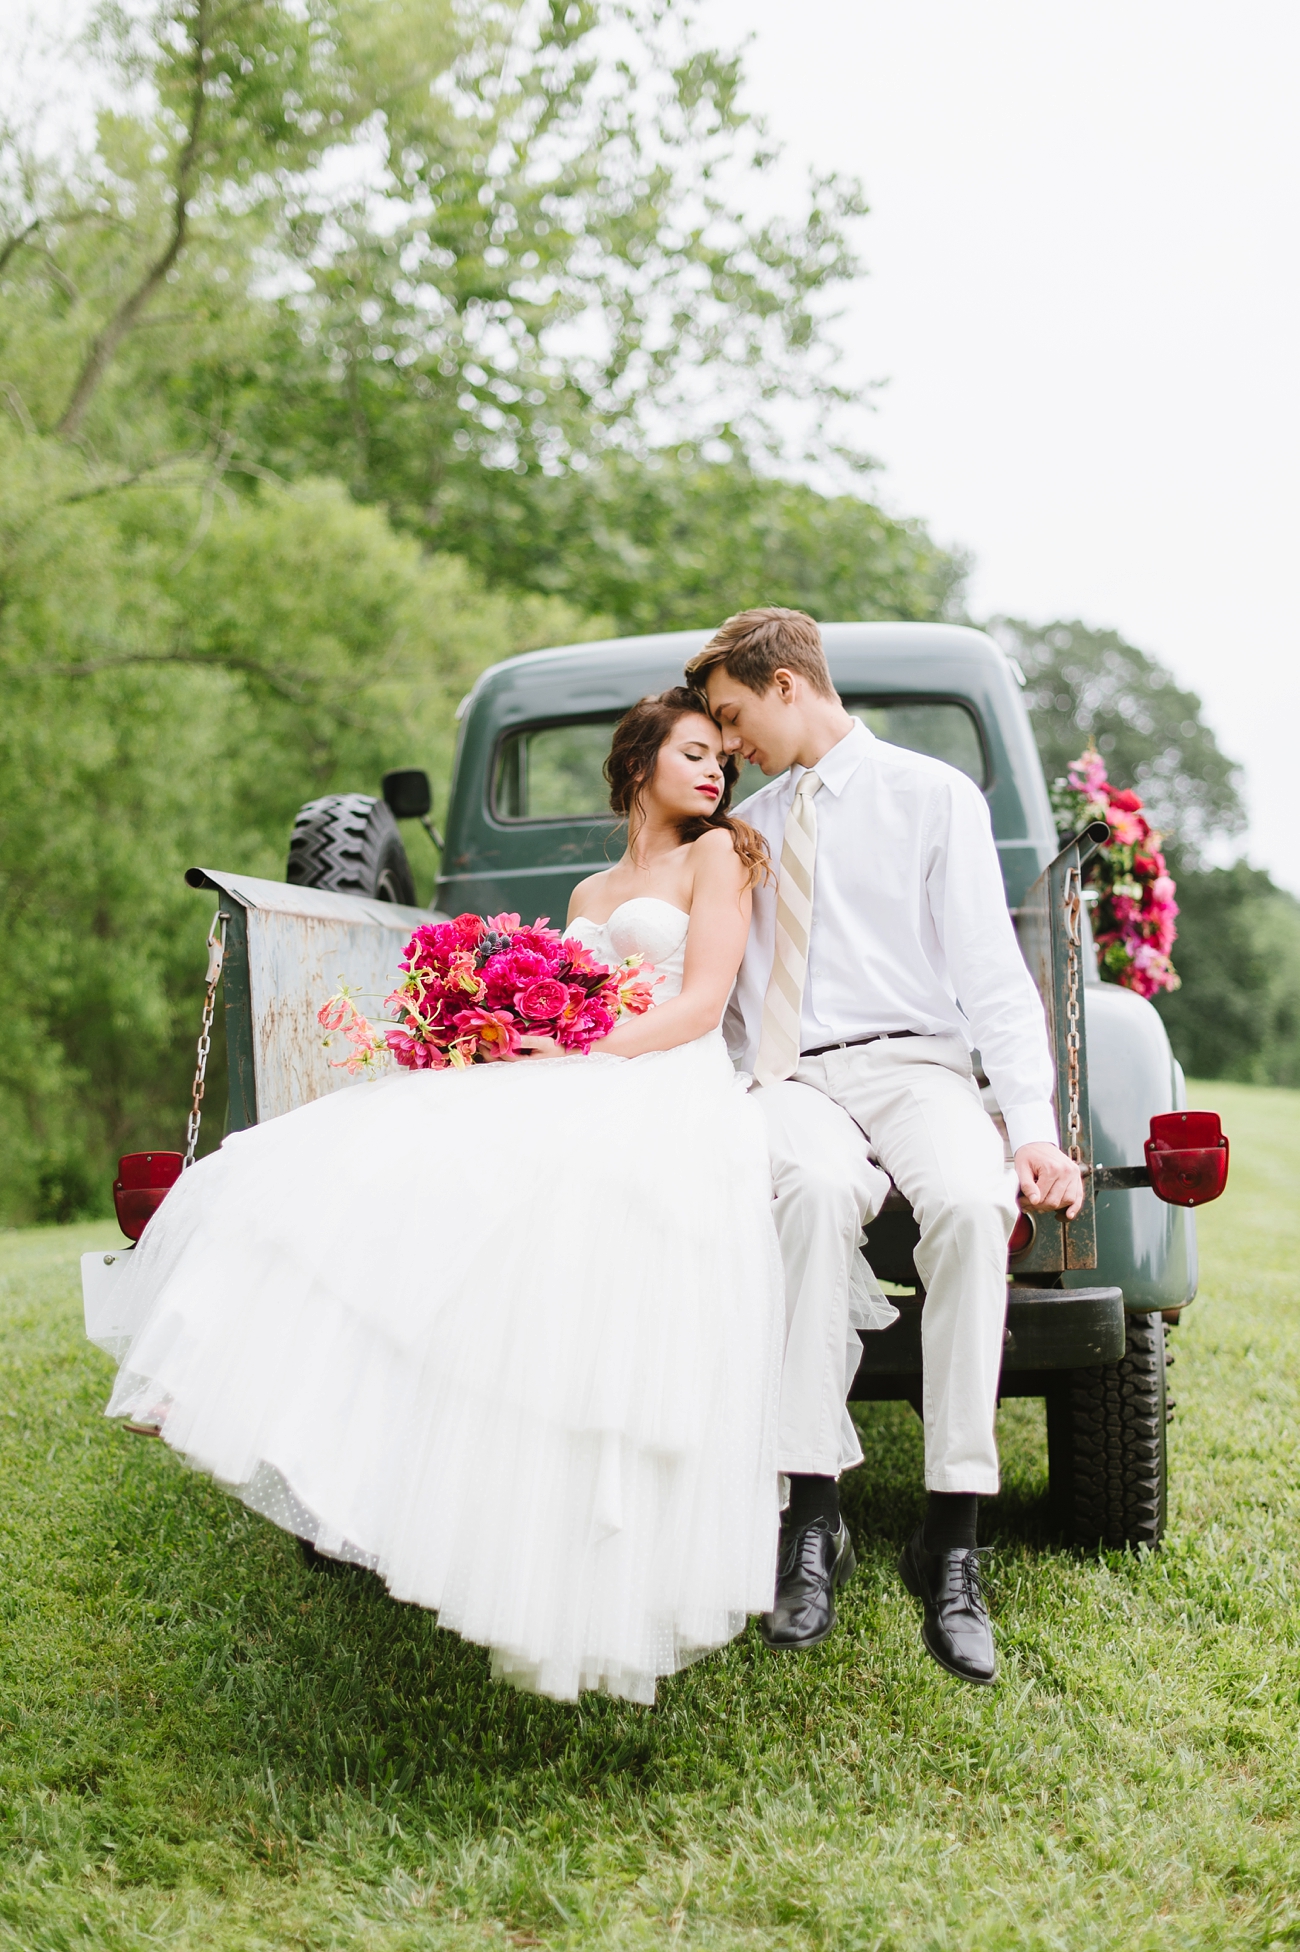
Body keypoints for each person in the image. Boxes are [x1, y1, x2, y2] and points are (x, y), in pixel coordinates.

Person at [97, 691, 839, 1706]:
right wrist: (492, 1027)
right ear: (638, 762)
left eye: (723, 757)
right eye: (695, 752)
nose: (716, 772)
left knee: (543, 1178)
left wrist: (573, 1047)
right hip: (582, 1060)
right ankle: (247, 1364)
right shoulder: (589, 887)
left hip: (669, 1076)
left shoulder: (724, 854)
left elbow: (701, 1002)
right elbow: (576, 989)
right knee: (381, 1144)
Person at [686, 610, 1084, 1685]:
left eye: (731, 716)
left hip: (918, 1065)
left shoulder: (931, 796)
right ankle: (811, 1514)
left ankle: (950, 1532)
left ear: (784, 683)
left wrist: (1032, 1129)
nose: (726, 744)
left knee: (968, 1202)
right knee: (810, 1191)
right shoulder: (746, 830)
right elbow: (724, 996)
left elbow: (994, 982)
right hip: (794, 1074)